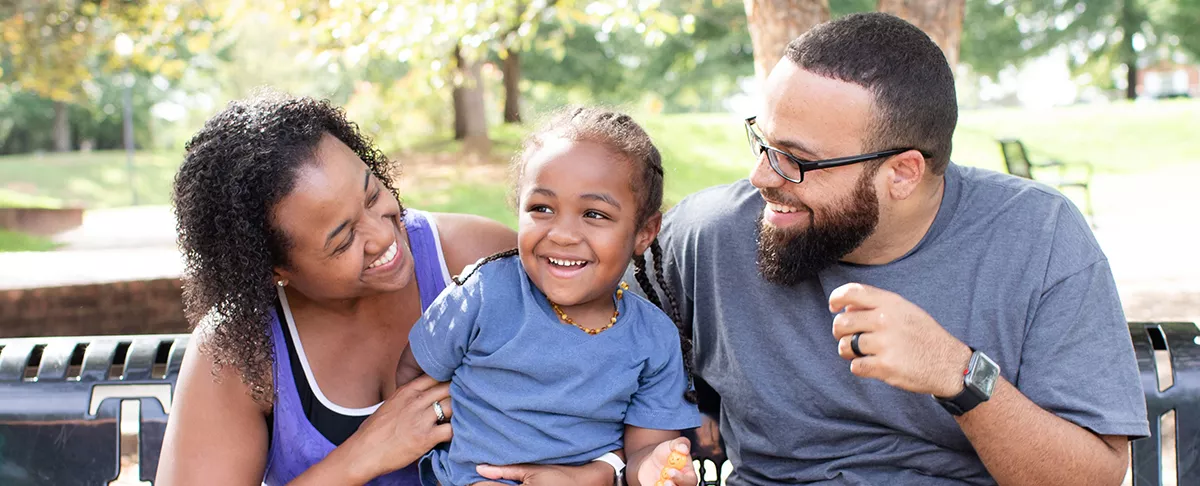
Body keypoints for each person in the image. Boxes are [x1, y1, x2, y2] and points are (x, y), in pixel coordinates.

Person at [637, 12, 1150, 485]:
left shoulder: (1037, 236)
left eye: (798, 160)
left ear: (903, 173)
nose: (761, 177)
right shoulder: (708, 235)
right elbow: (586, 346)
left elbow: (1093, 475)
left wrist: (958, 372)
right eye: (763, 142)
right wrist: (649, 454)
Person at [157, 92, 621, 486]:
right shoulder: (240, 349)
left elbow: (620, 380)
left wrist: (602, 470)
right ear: (275, 270)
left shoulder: (477, 261)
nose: (383, 238)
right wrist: (367, 452)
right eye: (342, 240)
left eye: (373, 194)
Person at [394, 107, 701, 486]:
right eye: (542, 208)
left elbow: (642, 450)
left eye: (594, 214)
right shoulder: (485, 293)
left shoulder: (653, 338)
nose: (562, 234)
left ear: (645, 231)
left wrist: (653, 467)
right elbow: (413, 377)